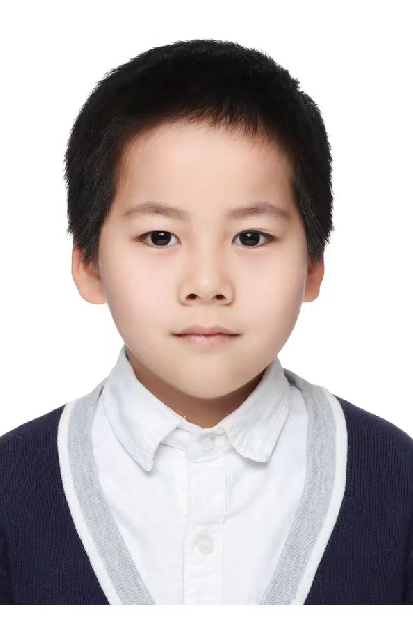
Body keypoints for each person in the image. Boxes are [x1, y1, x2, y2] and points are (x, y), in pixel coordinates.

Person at [1, 38, 412, 605]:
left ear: (313, 265)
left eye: (252, 237)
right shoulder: (12, 487)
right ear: (89, 264)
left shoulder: (397, 481)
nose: (207, 283)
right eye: (160, 237)